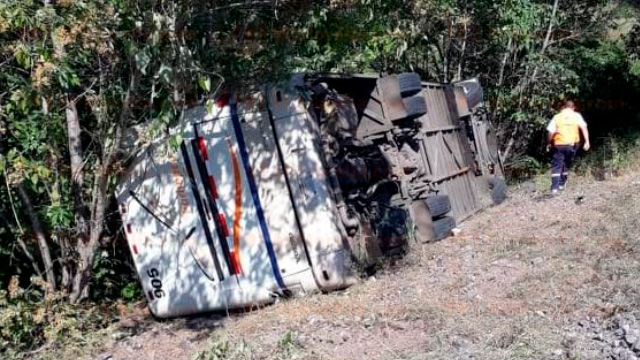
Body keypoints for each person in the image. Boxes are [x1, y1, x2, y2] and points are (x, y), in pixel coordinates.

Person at [546, 100, 590, 195]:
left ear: (564, 107)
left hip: (559, 144)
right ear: (573, 108)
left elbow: (550, 132)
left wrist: (549, 143)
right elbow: (584, 127)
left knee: (557, 165)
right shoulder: (576, 116)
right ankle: (562, 184)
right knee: (566, 163)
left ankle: (554, 188)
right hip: (572, 145)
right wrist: (587, 141)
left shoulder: (557, 117)